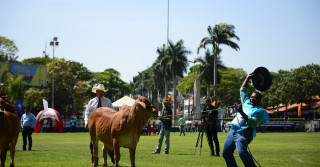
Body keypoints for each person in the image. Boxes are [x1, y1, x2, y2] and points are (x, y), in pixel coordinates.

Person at [222, 73, 269, 167]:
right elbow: (243, 90)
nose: (252, 99)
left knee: (242, 153)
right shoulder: (246, 103)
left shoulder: (259, 111)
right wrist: (247, 78)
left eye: (255, 98)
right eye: (251, 97)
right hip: (233, 130)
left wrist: (241, 112)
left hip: (244, 133)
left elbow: (252, 123)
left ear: (259, 100)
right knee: (226, 153)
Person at [84, 84, 114, 165]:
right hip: (94, 126)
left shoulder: (108, 101)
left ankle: (114, 160)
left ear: (103, 92)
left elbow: (113, 113)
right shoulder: (91, 101)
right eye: (99, 91)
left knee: (109, 143)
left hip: (105, 126)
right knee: (92, 144)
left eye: (102, 91)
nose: (100, 92)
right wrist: (86, 122)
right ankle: (94, 161)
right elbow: (87, 113)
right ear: (96, 92)